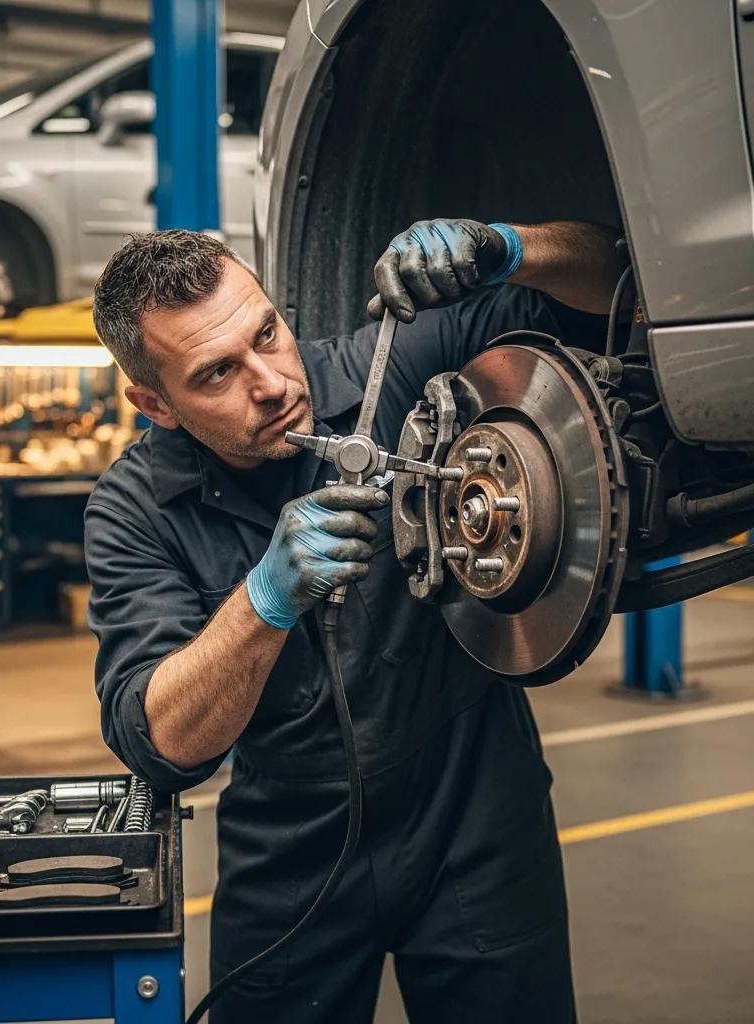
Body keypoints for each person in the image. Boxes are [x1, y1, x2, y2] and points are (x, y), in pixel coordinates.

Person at [86, 219, 622, 1023]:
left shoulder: (400, 361)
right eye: (217, 374)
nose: (269, 382)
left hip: (476, 810)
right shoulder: (131, 512)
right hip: (291, 852)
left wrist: (511, 246)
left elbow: (618, 287)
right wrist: (261, 604)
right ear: (154, 404)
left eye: (267, 332)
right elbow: (161, 746)